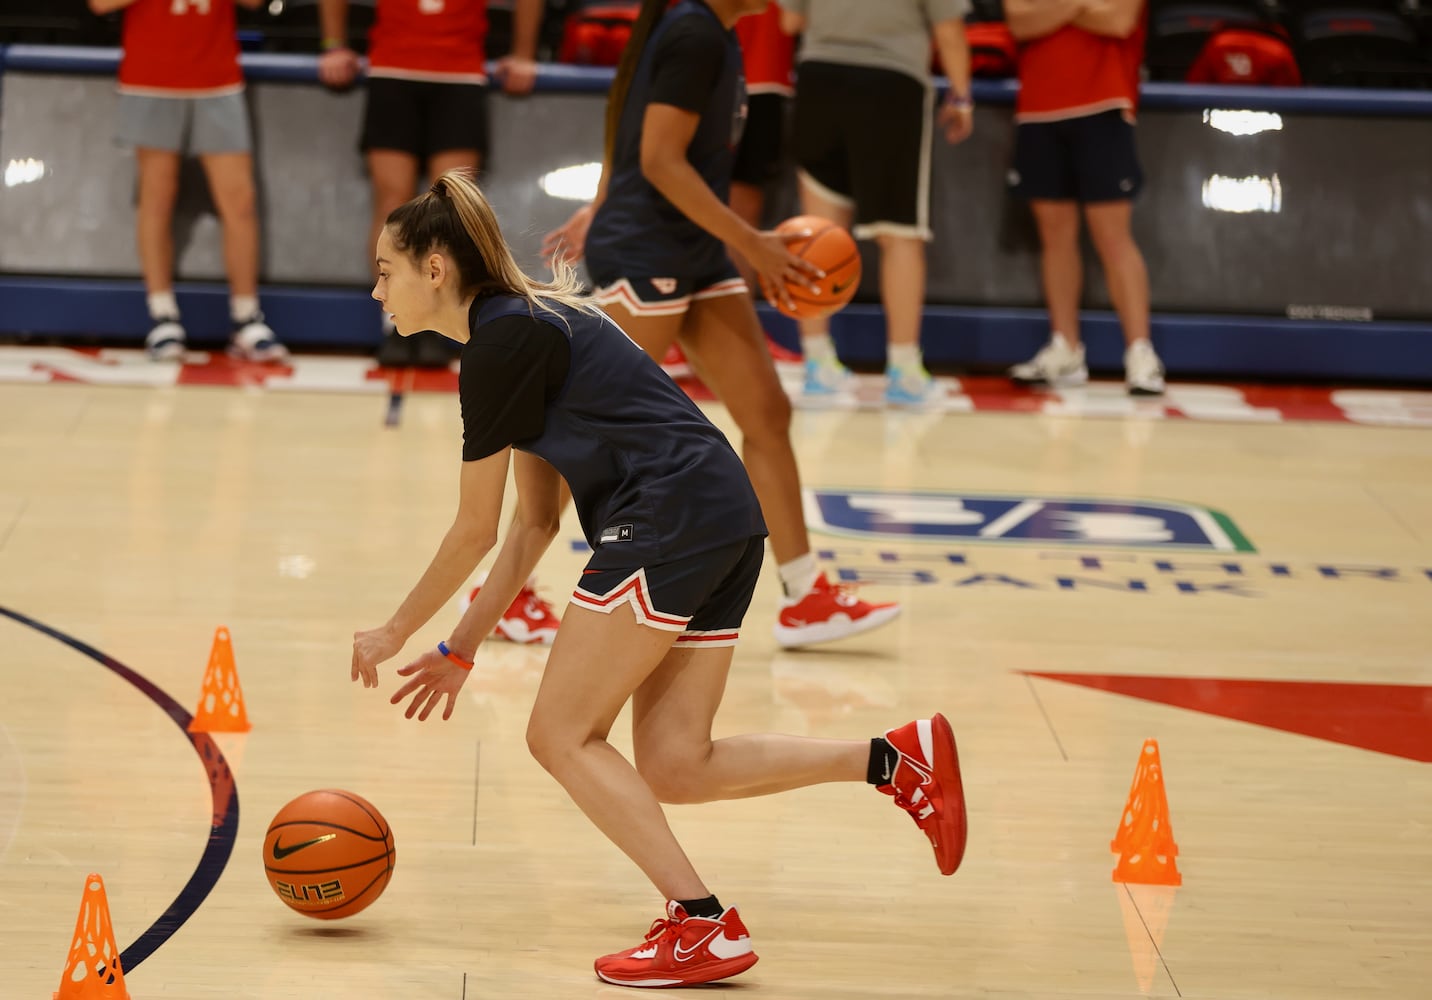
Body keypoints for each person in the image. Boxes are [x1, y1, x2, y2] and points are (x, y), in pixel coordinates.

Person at [350, 167, 968, 988]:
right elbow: (534, 523)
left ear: (435, 268)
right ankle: (896, 760)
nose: (375, 290)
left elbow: (474, 530)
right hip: (720, 517)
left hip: (671, 517)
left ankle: (702, 923)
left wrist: (394, 631)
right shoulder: (525, 329)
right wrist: (459, 651)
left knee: (558, 734)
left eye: (385, 270)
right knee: (677, 763)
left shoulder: (502, 343)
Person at [541, 0, 901, 648]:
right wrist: (752, 242)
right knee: (585, 428)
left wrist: (599, 204)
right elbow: (658, 158)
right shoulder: (694, 32)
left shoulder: (717, 34)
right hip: (650, 250)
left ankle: (804, 596)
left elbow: (631, 127)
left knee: (766, 412)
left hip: (694, 250)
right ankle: (500, 590)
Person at [317, 0, 543, 368]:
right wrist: (333, 44)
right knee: (392, 202)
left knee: (454, 206)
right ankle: (392, 322)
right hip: (393, 67)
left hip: (460, 72)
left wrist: (524, 54)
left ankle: (443, 323)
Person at [778, 0, 974, 406]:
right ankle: (903, 370)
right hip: (891, 84)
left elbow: (789, 20)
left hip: (819, 79)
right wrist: (962, 97)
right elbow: (950, 31)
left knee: (817, 232)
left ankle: (818, 364)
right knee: (899, 233)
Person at [88, 0, 289, 364]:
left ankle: (247, 318)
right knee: (157, 198)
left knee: (240, 200)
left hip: (218, 77)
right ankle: (162, 316)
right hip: (151, 77)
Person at [1004, 0, 1165, 395]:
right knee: (1054, 236)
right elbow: (1020, 22)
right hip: (1039, 108)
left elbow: (1118, 20)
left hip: (1104, 105)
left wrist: (1051, 10)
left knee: (1112, 236)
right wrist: (1080, 5)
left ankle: (1141, 354)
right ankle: (1066, 349)